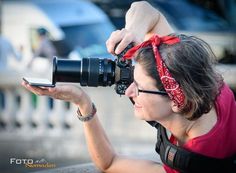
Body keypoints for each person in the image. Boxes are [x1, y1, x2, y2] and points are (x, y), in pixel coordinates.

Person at [22, 1, 236, 173]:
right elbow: (145, 9)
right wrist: (132, 33)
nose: (128, 91)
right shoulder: (199, 81)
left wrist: (84, 105)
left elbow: (109, 163)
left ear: (176, 101)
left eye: (139, 87)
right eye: (133, 80)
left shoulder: (191, 162)